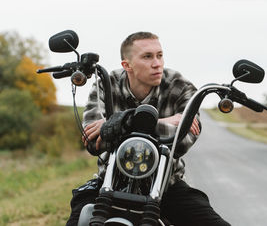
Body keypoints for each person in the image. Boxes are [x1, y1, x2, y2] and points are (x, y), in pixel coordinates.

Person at [66, 32, 230, 226]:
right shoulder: (107, 84)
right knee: (77, 220)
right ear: (127, 65)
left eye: (159, 55)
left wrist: (119, 122)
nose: (157, 63)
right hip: (110, 183)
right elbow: (93, 141)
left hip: (167, 186)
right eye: (147, 56)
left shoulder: (180, 87)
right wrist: (166, 121)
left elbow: (182, 141)